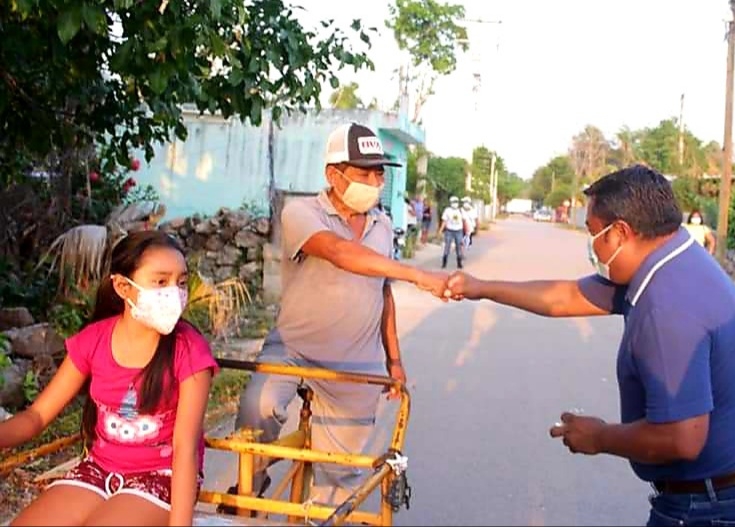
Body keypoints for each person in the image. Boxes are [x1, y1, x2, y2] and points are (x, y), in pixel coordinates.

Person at [445, 165, 735, 526]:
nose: (593, 246)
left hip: (720, 506)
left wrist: (599, 437)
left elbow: (683, 439)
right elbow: (566, 296)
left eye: (593, 233)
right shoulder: (675, 258)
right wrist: (481, 287)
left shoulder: (666, 307)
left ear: (620, 232)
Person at [231, 123, 448, 505]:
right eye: (365, 172)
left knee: (340, 477)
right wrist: (418, 273)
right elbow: (339, 252)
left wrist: (394, 359)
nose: (376, 180)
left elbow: (383, 292)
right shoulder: (301, 212)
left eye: (379, 172)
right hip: (294, 348)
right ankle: (254, 483)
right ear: (333, 174)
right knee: (257, 411)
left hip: (356, 362)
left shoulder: (383, 224)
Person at [1, 231, 218, 526]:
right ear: (122, 286)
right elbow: (37, 416)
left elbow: (185, 449)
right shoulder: (94, 340)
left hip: (161, 477)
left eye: (181, 282)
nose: (175, 293)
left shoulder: (189, 350)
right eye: (160, 281)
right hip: (99, 469)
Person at [438, 196, 466, 269]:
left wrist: (465, 231)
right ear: (450, 203)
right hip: (449, 230)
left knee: (458, 246)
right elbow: (444, 221)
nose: (455, 203)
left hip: (459, 230)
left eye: (456, 202)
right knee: (447, 246)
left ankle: (459, 263)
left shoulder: (461, 210)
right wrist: (440, 230)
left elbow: (464, 221)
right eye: (453, 202)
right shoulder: (447, 210)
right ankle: (444, 262)